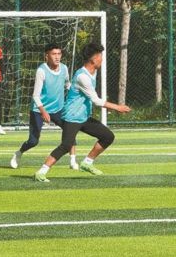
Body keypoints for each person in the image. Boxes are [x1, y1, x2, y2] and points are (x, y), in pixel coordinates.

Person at [34, 43, 131, 182]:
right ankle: (41, 172)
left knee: (108, 136)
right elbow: (96, 100)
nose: (102, 59)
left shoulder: (93, 71)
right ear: (94, 59)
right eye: (100, 57)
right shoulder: (82, 77)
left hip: (83, 117)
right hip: (72, 117)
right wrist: (118, 107)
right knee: (66, 145)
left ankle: (87, 163)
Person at [10, 43, 78, 170]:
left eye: (59, 54)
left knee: (70, 130)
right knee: (33, 141)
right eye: (54, 54)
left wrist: (75, 92)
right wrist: (43, 111)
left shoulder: (64, 68)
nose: (57, 57)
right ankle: (19, 153)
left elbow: (67, 84)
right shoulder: (41, 71)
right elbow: (35, 96)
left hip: (58, 109)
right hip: (39, 109)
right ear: (46, 56)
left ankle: (73, 161)